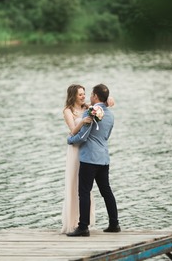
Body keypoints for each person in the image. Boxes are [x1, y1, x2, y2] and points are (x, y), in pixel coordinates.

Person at [66, 83, 120, 237]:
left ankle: (83, 227)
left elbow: (82, 136)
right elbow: (106, 135)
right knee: (106, 190)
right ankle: (114, 223)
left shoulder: (90, 113)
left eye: (90, 94)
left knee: (84, 192)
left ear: (95, 96)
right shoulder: (110, 115)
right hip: (103, 158)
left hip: (89, 158)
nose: (89, 96)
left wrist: (69, 140)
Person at [61, 84, 95, 234]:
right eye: (80, 94)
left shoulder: (88, 108)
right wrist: (82, 121)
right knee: (74, 182)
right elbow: (72, 131)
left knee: (84, 186)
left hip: (86, 149)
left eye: (84, 93)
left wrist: (110, 100)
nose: (83, 96)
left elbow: (103, 105)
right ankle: (72, 221)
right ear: (73, 96)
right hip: (75, 150)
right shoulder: (68, 111)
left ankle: (84, 221)